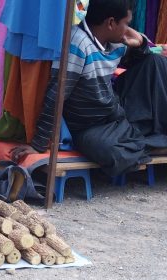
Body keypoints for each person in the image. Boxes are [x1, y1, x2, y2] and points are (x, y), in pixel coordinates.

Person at [10, 0, 167, 177]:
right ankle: (148, 141)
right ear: (111, 23)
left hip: (115, 113)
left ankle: (143, 140)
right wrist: (37, 144)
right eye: (126, 24)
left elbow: (142, 60)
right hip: (90, 126)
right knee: (111, 152)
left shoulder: (116, 42)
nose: (128, 29)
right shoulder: (78, 44)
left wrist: (141, 43)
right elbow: (56, 95)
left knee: (157, 62)